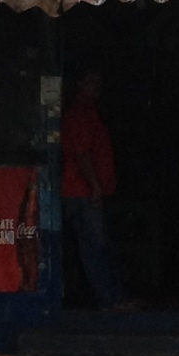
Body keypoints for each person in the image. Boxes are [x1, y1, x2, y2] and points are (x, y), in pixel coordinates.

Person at [60, 70, 129, 308]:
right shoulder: (80, 114)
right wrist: (95, 185)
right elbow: (82, 153)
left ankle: (112, 297)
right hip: (81, 191)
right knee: (95, 246)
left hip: (83, 190)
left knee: (94, 245)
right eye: (90, 80)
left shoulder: (88, 113)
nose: (96, 85)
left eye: (99, 81)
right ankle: (110, 299)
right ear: (79, 83)